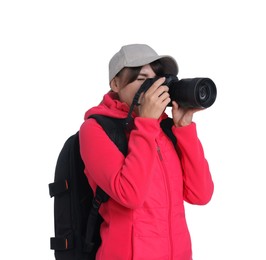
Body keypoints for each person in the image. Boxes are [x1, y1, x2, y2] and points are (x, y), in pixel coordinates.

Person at [79, 44, 214, 260]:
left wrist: (184, 128)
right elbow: (130, 195)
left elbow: (201, 194)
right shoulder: (95, 129)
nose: (152, 89)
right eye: (142, 79)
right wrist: (146, 123)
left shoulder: (165, 129)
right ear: (115, 83)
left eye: (156, 80)